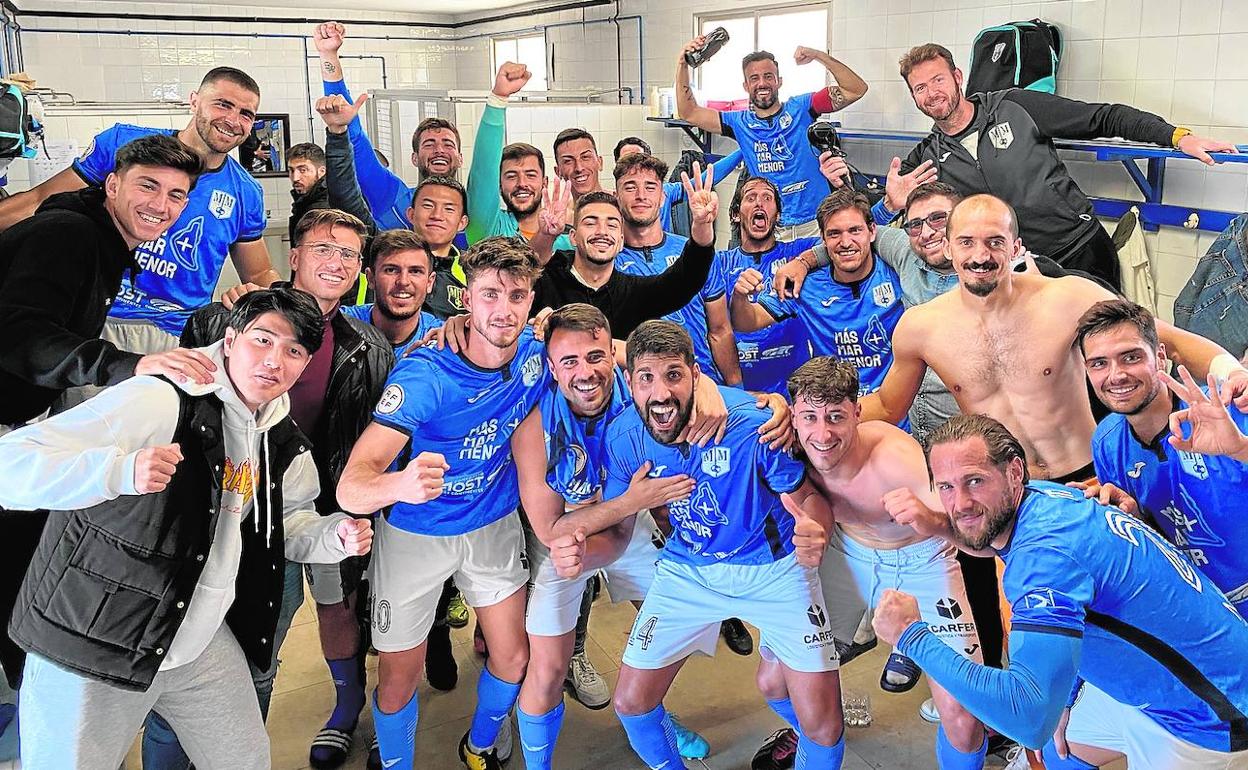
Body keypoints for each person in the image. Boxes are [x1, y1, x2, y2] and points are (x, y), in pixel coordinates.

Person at [0, 287, 374, 770]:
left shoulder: (280, 438)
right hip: (96, 643)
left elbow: (286, 523)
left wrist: (332, 537)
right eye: (262, 340)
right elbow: (10, 465)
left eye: (293, 351)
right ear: (231, 338)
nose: (274, 361)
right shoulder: (158, 399)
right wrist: (116, 472)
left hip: (196, 638)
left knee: (245, 759)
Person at [875, 413, 1248, 769]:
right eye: (946, 487)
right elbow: (988, 540)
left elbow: (1028, 720)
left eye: (975, 481)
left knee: (1040, 726)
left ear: (1014, 472)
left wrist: (911, 636)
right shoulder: (1045, 499)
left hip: (1212, 722)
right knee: (1060, 751)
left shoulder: (1045, 559)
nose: (960, 503)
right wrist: (1064, 695)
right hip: (1186, 680)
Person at [0, 134, 216, 699]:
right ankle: (45, 725)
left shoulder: (99, 242)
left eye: (176, 195)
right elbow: (19, 336)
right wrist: (131, 364)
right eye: (148, 186)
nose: (161, 205)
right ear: (112, 184)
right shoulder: (68, 234)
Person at [180, 209, 393, 770]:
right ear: (292, 255)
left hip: (324, 508)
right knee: (243, 628)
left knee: (336, 607)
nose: (337, 262)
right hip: (233, 507)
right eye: (323, 248)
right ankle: (225, 741)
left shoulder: (366, 343)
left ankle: (345, 709)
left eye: (349, 254)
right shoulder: (228, 318)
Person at [584, 320, 844, 769]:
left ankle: (803, 741)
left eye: (673, 375)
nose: (660, 393)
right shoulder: (622, 437)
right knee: (631, 703)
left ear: (695, 374)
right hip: (687, 569)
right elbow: (619, 532)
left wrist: (816, 530)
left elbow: (806, 497)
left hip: (774, 568)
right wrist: (580, 555)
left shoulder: (753, 424)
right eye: (645, 377)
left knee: (823, 725)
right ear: (629, 383)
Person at [509, 304, 756, 768]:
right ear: (550, 366)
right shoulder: (533, 427)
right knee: (546, 670)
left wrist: (709, 390)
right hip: (571, 531)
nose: (586, 373)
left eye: (596, 357)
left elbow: (677, 367)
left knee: (668, 631)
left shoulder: (640, 384)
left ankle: (648, 713)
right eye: (569, 363)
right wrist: (630, 502)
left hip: (632, 522)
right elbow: (550, 529)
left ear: (613, 353)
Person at [337, 236, 550, 770]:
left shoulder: (534, 353)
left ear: (531, 299)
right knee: (396, 677)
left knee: (513, 656)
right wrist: (398, 484)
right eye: (489, 295)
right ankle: (395, 763)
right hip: (414, 532)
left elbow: (605, 348)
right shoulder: (425, 373)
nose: (504, 310)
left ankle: (478, 746)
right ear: (465, 298)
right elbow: (351, 485)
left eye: (517, 296)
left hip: (492, 524)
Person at [858, 193, 1248, 483]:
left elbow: (1170, 340)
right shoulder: (920, 326)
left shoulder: (1067, 298)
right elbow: (889, 406)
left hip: (1093, 474)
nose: (981, 255)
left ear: (1014, 247)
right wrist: (809, 425)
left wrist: (1232, 372)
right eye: (967, 242)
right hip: (1012, 487)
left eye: (995, 242)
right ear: (948, 247)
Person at [753, 356, 988, 770]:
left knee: (965, 715)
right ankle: (816, 728)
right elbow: (708, 400)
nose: (822, 434)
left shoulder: (897, 458)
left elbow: (978, 541)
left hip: (922, 559)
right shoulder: (785, 441)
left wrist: (930, 518)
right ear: (792, 415)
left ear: (857, 413)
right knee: (772, 682)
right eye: (809, 417)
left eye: (836, 417)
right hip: (846, 554)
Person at [882, 43, 1238, 287]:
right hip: (1018, 270)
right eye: (920, 88)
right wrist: (888, 205)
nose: (931, 94)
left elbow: (1104, 117)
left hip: (1079, 251)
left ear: (958, 76)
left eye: (938, 80)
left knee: (1105, 354)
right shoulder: (927, 157)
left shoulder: (1014, 107)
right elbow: (866, 209)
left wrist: (1177, 137)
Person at [0, 66, 280, 350]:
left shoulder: (246, 192)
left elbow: (258, 274)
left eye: (246, 114)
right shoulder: (124, 145)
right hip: (97, 316)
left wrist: (284, 299)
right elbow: (39, 201)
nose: (233, 120)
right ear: (194, 101)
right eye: (223, 104)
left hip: (175, 334)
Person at [1078, 299, 1248, 611]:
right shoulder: (1107, 442)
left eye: (1130, 357)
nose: (1116, 376)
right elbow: (1156, 542)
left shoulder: (1225, 410)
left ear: (1159, 357)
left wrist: (1239, 449)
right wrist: (1132, 517)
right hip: (1203, 610)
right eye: (1099, 363)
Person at [730, 188, 905, 406]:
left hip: (897, 419)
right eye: (834, 234)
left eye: (855, 230)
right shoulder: (806, 285)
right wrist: (739, 296)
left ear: (871, 231)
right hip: (833, 416)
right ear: (823, 239)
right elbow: (747, 322)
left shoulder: (898, 276)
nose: (846, 242)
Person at [675, 40, 868, 238]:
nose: (762, 83)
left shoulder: (802, 107)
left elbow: (856, 89)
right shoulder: (738, 123)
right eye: (754, 78)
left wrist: (817, 55)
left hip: (816, 224)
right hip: (772, 229)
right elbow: (688, 112)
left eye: (768, 76)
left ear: (779, 81)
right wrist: (684, 63)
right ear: (746, 85)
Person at [316, 92, 471, 319]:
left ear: (462, 222)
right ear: (411, 213)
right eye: (428, 205)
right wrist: (338, 134)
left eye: (449, 208)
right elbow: (345, 195)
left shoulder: (472, 272)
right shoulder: (378, 249)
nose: (437, 214)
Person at [314, 21, 465, 233]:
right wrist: (329, 56)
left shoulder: (476, 210)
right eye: (429, 144)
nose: (439, 149)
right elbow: (354, 139)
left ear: (460, 157)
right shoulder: (393, 198)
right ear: (414, 158)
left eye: (448, 144)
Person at [612, 151, 742, 388]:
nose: (641, 195)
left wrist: (736, 388)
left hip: (703, 384)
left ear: (663, 197)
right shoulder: (606, 263)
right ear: (616, 196)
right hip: (641, 393)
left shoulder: (694, 254)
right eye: (630, 187)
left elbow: (720, 330)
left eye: (650, 187)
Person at [529, 180, 720, 341]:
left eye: (611, 225)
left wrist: (702, 227)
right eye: (590, 223)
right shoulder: (546, 280)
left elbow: (685, 280)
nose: (602, 231)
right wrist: (546, 235)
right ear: (573, 236)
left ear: (620, 241)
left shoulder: (634, 294)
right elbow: (522, 270)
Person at [718, 175, 818, 394]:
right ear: (736, 214)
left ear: (778, 215)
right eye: (750, 197)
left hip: (796, 393)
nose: (759, 202)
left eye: (767, 197)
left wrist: (803, 262)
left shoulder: (796, 252)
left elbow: (844, 237)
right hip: (741, 392)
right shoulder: (719, 264)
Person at [464, 61, 570, 251]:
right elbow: (483, 172)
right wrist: (498, 98)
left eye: (530, 175)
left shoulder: (566, 241)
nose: (522, 183)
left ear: (544, 182)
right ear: (499, 184)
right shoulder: (489, 231)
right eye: (511, 176)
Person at [341, 229, 444, 358]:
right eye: (391, 270)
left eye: (415, 271)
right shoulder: (339, 325)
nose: (403, 281)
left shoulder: (443, 338)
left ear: (430, 282)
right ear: (370, 278)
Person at [613, 135, 743, 232]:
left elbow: (705, 179)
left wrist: (744, 149)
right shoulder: (609, 203)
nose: (640, 195)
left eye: (639, 159)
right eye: (627, 160)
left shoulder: (668, 192)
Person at [286, 142, 330, 244]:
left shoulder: (322, 208)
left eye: (303, 170)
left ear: (321, 171)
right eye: (291, 171)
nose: (295, 178)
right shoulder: (305, 202)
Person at [554, 128, 604, 200]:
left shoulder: (621, 207)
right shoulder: (559, 211)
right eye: (568, 161)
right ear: (558, 171)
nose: (579, 168)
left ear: (600, 162)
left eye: (585, 157)